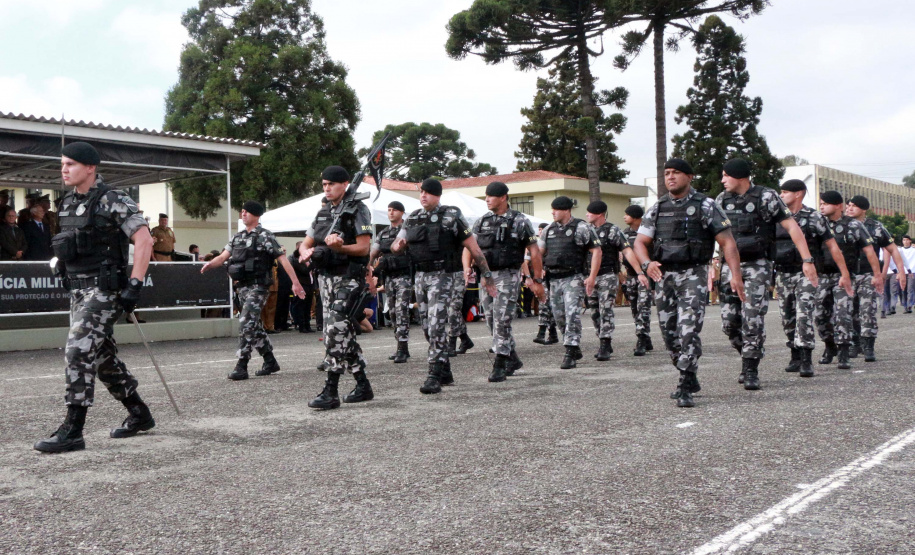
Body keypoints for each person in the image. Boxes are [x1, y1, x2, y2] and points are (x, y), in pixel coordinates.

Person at [33, 141, 156, 453]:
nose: (63, 169)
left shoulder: (113, 199)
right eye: (62, 164)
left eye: (70, 164)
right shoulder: (65, 204)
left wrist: (135, 284)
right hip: (78, 290)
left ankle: (73, 429)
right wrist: (62, 264)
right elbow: (69, 244)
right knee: (101, 359)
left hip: (104, 290)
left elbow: (144, 239)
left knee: (78, 349)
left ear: (90, 167)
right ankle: (139, 414)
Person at [633, 159, 745, 408]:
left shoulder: (706, 205)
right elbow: (640, 242)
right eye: (667, 173)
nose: (670, 177)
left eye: (676, 173)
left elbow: (727, 242)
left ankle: (685, 381)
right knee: (669, 333)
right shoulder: (658, 207)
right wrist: (646, 264)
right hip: (664, 276)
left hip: (693, 273)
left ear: (690, 176)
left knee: (689, 329)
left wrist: (735, 276)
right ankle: (689, 373)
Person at [715, 158, 818, 390]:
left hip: (758, 265)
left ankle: (750, 368)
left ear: (740, 176)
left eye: (726, 175)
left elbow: (792, 226)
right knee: (729, 323)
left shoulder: (766, 197)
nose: (722, 180)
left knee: (752, 317)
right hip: (730, 267)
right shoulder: (721, 200)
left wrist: (807, 260)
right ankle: (747, 353)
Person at [391, 178, 496, 394]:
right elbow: (396, 245)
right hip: (421, 276)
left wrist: (486, 274)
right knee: (426, 326)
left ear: (438, 195)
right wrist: (398, 246)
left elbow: (473, 247)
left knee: (437, 324)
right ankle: (445, 369)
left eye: (428, 192)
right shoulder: (413, 217)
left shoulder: (451, 215)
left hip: (444, 275)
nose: (423, 195)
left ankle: (434, 373)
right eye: (421, 192)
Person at [299, 166, 375, 409]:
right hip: (326, 279)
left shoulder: (358, 209)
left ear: (345, 184)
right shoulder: (323, 212)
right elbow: (306, 242)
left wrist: (340, 247)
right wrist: (305, 251)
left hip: (349, 278)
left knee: (334, 330)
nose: (327, 188)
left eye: (331, 184)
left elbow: (364, 248)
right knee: (342, 332)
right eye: (324, 184)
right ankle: (363, 385)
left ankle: (330, 390)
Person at [202, 201, 305, 380]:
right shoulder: (238, 237)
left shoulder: (265, 236)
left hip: (259, 287)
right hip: (242, 287)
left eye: (247, 212)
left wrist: (295, 283)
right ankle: (270, 360)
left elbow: (283, 259)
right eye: (242, 211)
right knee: (253, 325)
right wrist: (210, 264)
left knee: (245, 322)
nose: (243, 214)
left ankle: (242, 364)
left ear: (256, 215)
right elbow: (223, 256)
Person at [774, 180, 853, 378]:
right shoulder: (776, 216)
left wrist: (844, 274)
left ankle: (806, 358)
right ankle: (795, 355)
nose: (781, 195)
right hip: (783, 273)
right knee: (787, 317)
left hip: (807, 274)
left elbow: (832, 246)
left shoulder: (813, 217)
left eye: (785, 192)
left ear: (798, 194)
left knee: (804, 315)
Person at [467, 181, 545, 382]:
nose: (487, 200)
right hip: (487, 276)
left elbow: (534, 251)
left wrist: (537, 279)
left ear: (503, 197)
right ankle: (513, 358)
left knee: (502, 319)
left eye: (491, 196)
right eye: (486, 196)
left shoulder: (519, 220)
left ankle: (500, 363)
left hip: (508, 275)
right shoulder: (482, 221)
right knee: (491, 320)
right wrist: (467, 268)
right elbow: (470, 246)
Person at [815, 191, 882, 369]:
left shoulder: (853, 225)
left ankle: (844, 352)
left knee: (843, 313)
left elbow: (869, 250)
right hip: (821, 276)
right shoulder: (817, 223)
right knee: (820, 315)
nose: (821, 207)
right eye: (820, 203)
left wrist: (877, 275)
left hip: (844, 276)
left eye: (825, 203)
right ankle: (830, 346)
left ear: (838, 205)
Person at [538, 196, 602, 369]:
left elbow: (596, 251)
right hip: (554, 279)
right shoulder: (549, 230)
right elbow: (539, 252)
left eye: (556, 209)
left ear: (566, 210)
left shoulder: (582, 227)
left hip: (573, 277)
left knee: (572, 313)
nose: (553, 212)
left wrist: (592, 277)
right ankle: (573, 347)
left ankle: (570, 349)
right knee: (559, 316)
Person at [584, 200, 648, 361]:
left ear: (599, 214)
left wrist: (639, 272)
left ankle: (605, 343)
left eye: (590, 212)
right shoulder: (585, 230)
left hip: (607, 275)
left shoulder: (612, 230)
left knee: (605, 309)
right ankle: (602, 338)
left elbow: (627, 251)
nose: (587, 215)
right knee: (594, 311)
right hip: (590, 277)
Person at [845, 195, 905, 362]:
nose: (849, 208)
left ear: (864, 209)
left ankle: (868, 346)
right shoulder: (842, 225)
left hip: (868, 274)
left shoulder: (875, 227)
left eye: (854, 206)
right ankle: (854, 343)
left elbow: (892, 249)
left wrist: (900, 271)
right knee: (848, 311)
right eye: (848, 205)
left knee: (867, 311)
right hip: (848, 275)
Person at [370, 201, 413, 363]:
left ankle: (402, 347)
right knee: (393, 312)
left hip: (404, 276)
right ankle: (401, 347)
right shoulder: (384, 233)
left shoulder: (408, 231)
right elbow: (373, 252)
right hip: (389, 277)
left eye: (394, 210)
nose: (391, 212)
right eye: (389, 210)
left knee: (401, 310)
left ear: (402, 212)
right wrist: (369, 268)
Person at [622, 204, 655, 356]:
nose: (624, 217)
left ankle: (641, 338)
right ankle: (646, 337)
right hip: (630, 275)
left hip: (645, 275)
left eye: (627, 214)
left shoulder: (648, 232)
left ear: (635, 217)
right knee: (634, 308)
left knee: (644, 307)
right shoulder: (625, 233)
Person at [532, 222, 559, 345]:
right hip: (544, 278)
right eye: (539, 229)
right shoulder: (538, 245)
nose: (540, 231)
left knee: (550, 306)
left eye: (542, 229)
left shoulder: (553, 244)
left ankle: (549, 333)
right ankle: (544, 333)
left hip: (554, 277)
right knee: (544, 304)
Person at [900, 235, 915, 313]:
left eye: (907, 240)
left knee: (910, 289)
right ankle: (905, 306)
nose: (905, 242)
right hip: (903, 272)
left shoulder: (913, 250)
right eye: (904, 240)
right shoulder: (900, 250)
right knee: (903, 290)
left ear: (910, 241)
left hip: (912, 272)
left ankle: (909, 306)